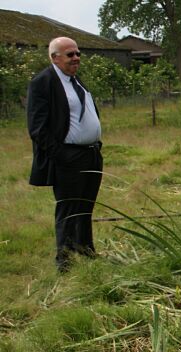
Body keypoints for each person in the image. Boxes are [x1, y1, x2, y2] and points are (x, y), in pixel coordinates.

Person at [27, 37, 103, 272]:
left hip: (91, 153)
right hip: (69, 156)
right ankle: (65, 259)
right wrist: (61, 155)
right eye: (70, 54)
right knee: (68, 208)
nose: (76, 58)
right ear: (55, 57)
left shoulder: (75, 80)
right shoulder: (43, 82)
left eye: (78, 53)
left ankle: (85, 248)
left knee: (86, 206)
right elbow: (37, 128)